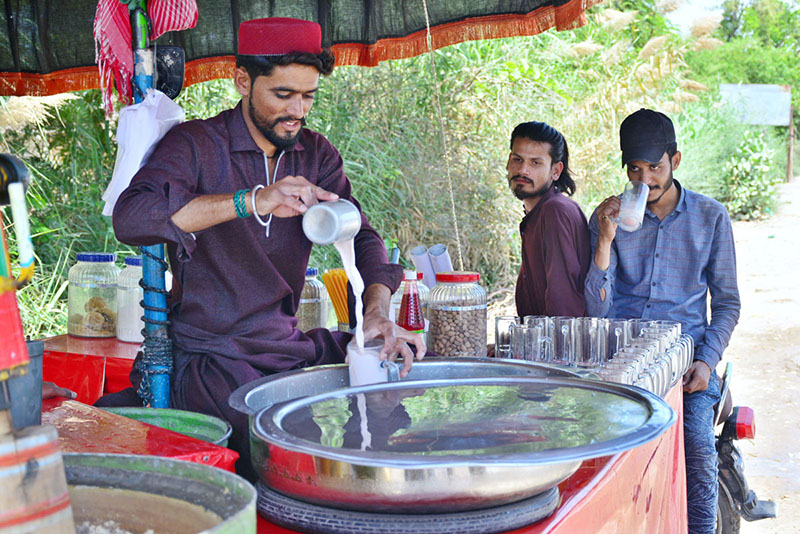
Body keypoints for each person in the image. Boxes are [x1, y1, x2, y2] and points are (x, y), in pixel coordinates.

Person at [98, 17, 425, 479]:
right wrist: (250, 200)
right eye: (282, 95)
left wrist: (375, 312)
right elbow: (133, 217)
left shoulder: (315, 154)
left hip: (284, 345)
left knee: (394, 385)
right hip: (213, 356)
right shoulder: (195, 145)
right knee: (279, 456)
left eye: (308, 96)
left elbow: (364, 239)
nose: (297, 112)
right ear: (242, 80)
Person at [584, 108, 740, 534]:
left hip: (685, 361)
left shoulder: (710, 218)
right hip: (620, 359)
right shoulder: (608, 218)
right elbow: (597, 311)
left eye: (655, 167)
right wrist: (604, 240)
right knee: (594, 447)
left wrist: (706, 362)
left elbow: (727, 304)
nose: (645, 179)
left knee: (695, 447)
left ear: (676, 160)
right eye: (635, 168)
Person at [508, 121, 591, 318]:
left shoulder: (555, 212)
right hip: (539, 342)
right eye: (517, 160)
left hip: (559, 344)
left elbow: (562, 309)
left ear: (556, 171)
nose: (523, 170)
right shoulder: (537, 213)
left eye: (535, 163)